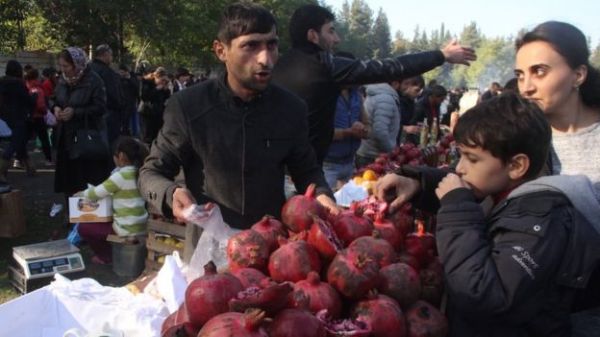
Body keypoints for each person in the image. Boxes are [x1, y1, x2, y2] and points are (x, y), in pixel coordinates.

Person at [375, 93, 600, 337]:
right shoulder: (505, 189)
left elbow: (485, 294)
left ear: (516, 166)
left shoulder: (542, 221)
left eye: (471, 158)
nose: (460, 167)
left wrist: (457, 210)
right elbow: (471, 184)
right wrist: (418, 184)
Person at [138, 2, 337, 229]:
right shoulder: (188, 107)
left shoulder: (292, 108)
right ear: (221, 50)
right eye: (251, 46)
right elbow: (150, 173)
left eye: (271, 45)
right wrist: (170, 193)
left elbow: (307, 170)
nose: (265, 59)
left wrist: (323, 197)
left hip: (270, 251)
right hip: (208, 251)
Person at [272, 4, 476, 164]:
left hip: (278, 166)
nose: (337, 39)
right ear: (313, 35)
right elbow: (389, 68)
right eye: (331, 31)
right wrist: (441, 55)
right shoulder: (325, 67)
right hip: (306, 171)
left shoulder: (277, 67)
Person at [515, 21, 600, 186]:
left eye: (539, 72)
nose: (526, 88)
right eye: (520, 75)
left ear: (578, 75)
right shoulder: (515, 137)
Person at [77, 137, 149, 264]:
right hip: (142, 225)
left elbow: (96, 193)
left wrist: (81, 194)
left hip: (126, 229)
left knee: (84, 228)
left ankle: (106, 256)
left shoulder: (120, 176)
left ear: (120, 156)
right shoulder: (142, 172)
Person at [53, 47, 111, 199]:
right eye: (61, 66)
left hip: (86, 138)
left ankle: (89, 216)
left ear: (76, 64)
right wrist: (56, 108)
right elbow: (56, 99)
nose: (63, 70)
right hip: (65, 137)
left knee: (86, 178)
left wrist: (76, 112)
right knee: (68, 179)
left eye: (66, 66)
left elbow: (100, 107)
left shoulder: (94, 81)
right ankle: (71, 215)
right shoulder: (62, 81)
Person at [322, 52, 369, 190]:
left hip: (350, 163)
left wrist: (363, 130)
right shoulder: (325, 95)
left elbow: (368, 128)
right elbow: (321, 133)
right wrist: (348, 132)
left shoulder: (357, 95)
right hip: (327, 165)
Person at [0, 60, 35, 185]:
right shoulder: (18, 84)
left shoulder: (2, 82)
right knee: (15, 144)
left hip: (3, 118)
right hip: (18, 118)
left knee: (18, 143)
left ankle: (30, 167)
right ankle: (1, 172)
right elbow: (28, 100)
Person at [354, 78, 403, 168]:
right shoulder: (386, 99)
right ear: (395, 83)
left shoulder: (377, 95)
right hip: (374, 156)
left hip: (367, 152)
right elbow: (380, 131)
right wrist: (391, 151)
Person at [90, 44, 124, 148]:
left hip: (89, 113)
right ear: (105, 55)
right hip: (108, 113)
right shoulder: (107, 72)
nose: (111, 58)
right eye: (111, 55)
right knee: (109, 144)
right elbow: (114, 94)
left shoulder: (87, 70)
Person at [24, 67, 53, 165]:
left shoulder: (25, 87)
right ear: (36, 77)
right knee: (44, 139)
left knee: (23, 139)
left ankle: (18, 159)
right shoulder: (38, 89)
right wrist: (45, 112)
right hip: (38, 117)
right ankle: (48, 160)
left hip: (27, 117)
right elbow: (41, 105)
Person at [139, 67, 170, 144]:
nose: (162, 82)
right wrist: (156, 89)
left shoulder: (163, 85)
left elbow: (166, 97)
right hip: (148, 112)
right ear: (156, 77)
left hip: (159, 112)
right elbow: (144, 97)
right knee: (148, 135)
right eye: (161, 80)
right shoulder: (147, 82)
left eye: (164, 80)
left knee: (157, 134)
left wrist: (166, 90)